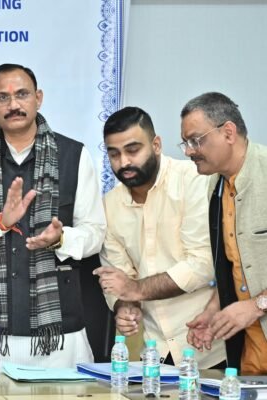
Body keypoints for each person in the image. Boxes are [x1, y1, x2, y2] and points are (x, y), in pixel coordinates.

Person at [0, 63, 106, 367]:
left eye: (22, 94)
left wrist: (60, 239)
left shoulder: (74, 155)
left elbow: (95, 234)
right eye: (2, 97)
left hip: (60, 334)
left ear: (38, 98)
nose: (13, 104)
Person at [93, 106, 225, 367]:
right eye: (114, 154)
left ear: (156, 145)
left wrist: (135, 290)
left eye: (133, 150)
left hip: (211, 347)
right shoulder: (109, 205)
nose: (123, 162)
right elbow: (119, 276)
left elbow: (203, 264)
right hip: (155, 354)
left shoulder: (193, 180)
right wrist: (125, 306)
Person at [182, 92, 267, 375]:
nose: (189, 151)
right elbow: (234, 268)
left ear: (228, 132)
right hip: (251, 358)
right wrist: (212, 312)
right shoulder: (215, 187)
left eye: (196, 140)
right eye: (186, 142)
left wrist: (256, 306)